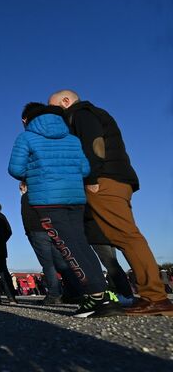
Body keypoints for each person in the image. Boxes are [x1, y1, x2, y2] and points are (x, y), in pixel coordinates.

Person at [49, 90, 173, 316]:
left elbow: (93, 144)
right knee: (122, 236)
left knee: (126, 236)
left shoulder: (81, 113)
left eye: (55, 107)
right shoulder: (92, 113)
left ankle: (156, 297)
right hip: (114, 178)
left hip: (104, 180)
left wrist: (92, 178)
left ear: (66, 102)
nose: (54, 114)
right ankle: (152, 296)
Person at [8, 102, 122, 318]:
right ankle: (104, 292)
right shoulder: (71, 138)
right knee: (81, 243)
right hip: (75, 198)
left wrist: (35, 173)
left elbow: (15, 168)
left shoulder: (26, 137)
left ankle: (97, 297)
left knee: (67, 247)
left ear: (26, 120)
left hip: (48, 200)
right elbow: (84, 168)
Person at [20, 181, 82, 305]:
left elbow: (27, 216)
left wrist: (29, 232)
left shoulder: (27, 196)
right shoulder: (46, 193)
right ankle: (75, 291)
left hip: (37, 231)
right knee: (62, 263)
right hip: (53, 230)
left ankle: (54, 294)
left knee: (47, 264)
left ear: (24, 186)